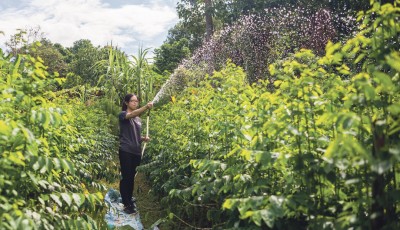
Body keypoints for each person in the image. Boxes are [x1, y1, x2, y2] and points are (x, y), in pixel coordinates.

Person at [118, 93, 153, 214]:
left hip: (136, 151)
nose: (135, 103)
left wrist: (143, 138)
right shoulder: (123, 114)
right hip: (126, 150)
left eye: (136, 101)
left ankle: (129, 199)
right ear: (127, 103)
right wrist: (145, 107)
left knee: (132, 177)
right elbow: (132, 114)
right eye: (132, 101)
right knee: (126, 177)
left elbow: (136, 136)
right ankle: (126, 202)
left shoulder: (138, 120)